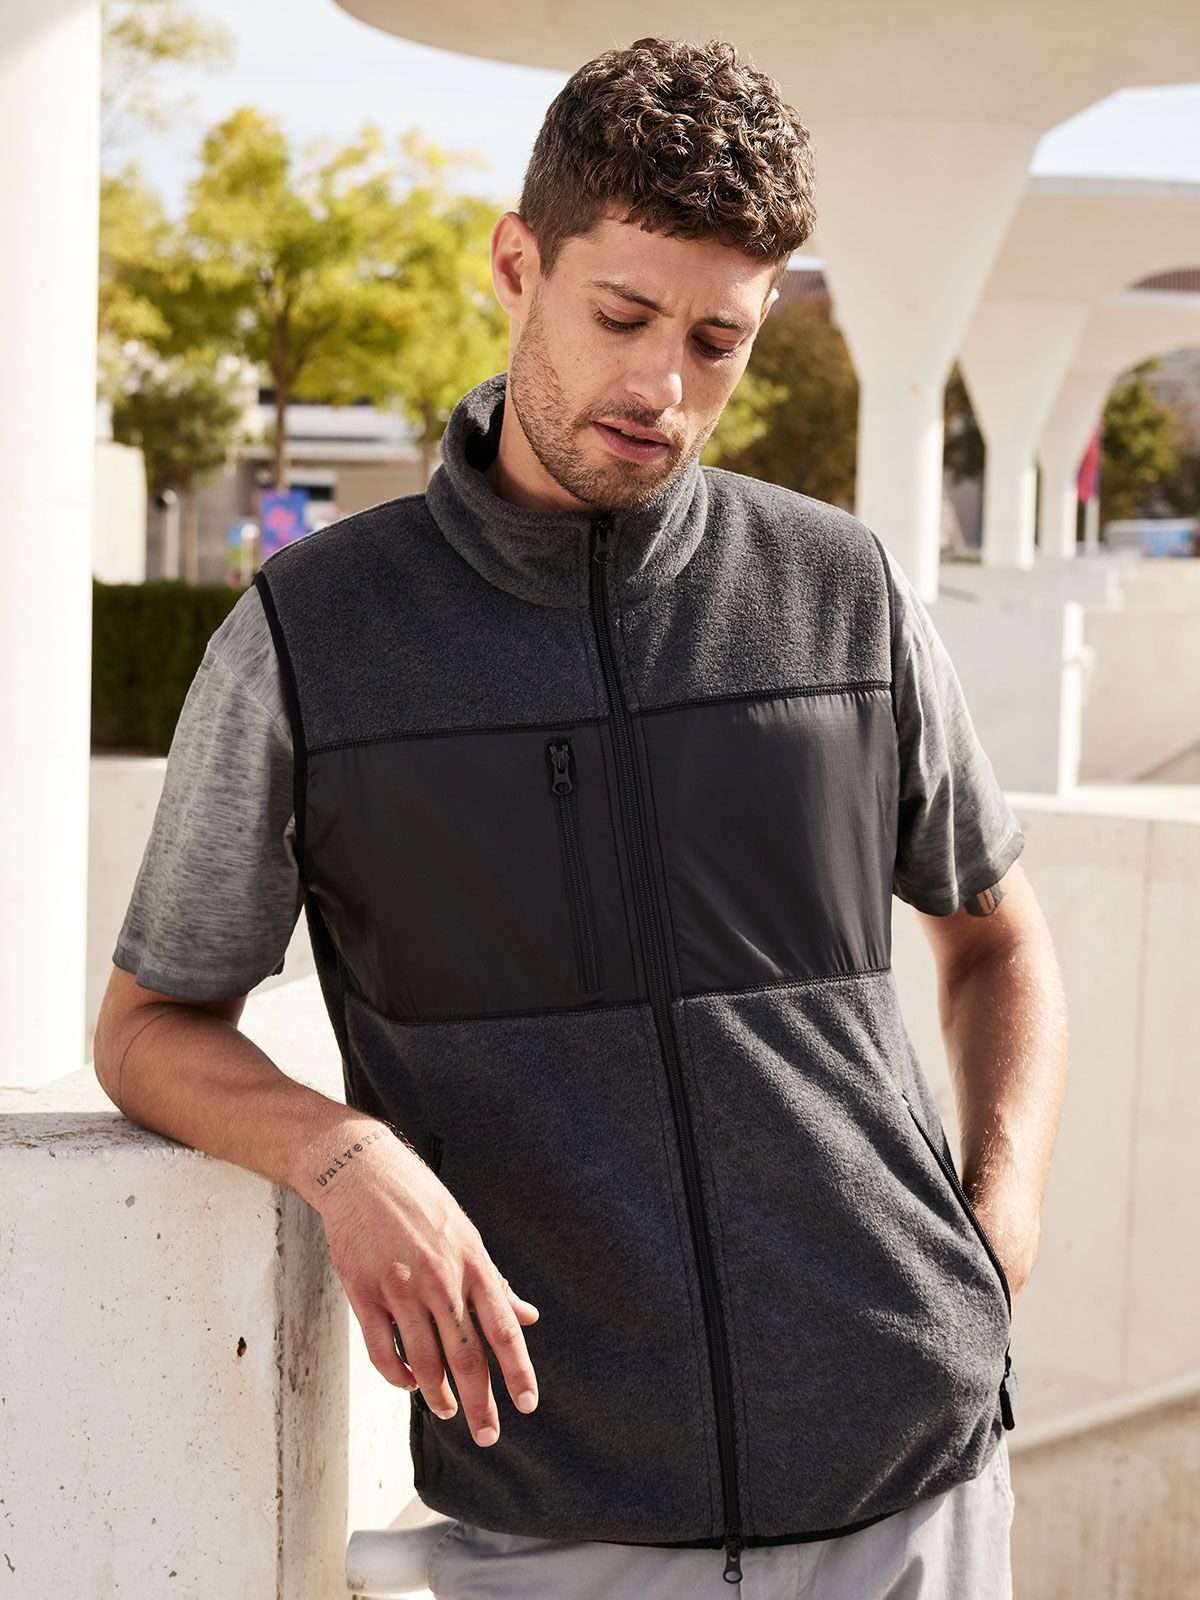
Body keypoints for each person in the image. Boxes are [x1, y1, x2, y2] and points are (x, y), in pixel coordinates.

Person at [94, 33, 1068, 1600]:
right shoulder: (313, 642)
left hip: (914, 1484)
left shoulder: (842, 592)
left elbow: (997, 937)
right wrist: (343, 1157)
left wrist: (993, 1235)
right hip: (558, 1521)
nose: (664, 389)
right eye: (622, 316)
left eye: (717, 341)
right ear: (518, 264)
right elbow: (149, 1027)